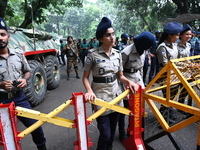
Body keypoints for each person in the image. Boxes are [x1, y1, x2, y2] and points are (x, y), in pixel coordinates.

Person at [82, 17, 139, 150]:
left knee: (112, 133)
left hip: (116, 96)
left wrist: (130, 82)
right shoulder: (92, 55)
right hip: (101, 97)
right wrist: (89, 91)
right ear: (101, 39)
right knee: (105, 134)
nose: (112, 37)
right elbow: (85, 77)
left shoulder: (118, 54)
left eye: (113, 34)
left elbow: (120, 76)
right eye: (108, 35)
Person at [0, 17, 47, 150]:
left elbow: (27, 72)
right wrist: (0, 85)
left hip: (20, 98)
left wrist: (25, 80)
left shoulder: (19, 54)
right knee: (4, 135)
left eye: (3, 35)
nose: (0, 38)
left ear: (8, 37)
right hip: (1, 101)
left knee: (35, 126)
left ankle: (42, 148)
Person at [119, 31, 156, 142]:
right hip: (126, 79)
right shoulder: (126, 52)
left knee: (138, 106)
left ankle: (136, 130)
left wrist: (141, 82)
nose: (150, 47)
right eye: (149, 45)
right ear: (143, 43)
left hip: (137, 79)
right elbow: (119, 71)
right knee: (124, 108)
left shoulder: (144, 50)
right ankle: (121, 132)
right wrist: (123, 85)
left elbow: (140, 68)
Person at [156, 22, 183, 123]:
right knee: (167, 97)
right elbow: (165, 64)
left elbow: (177, 59)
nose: (178, 37)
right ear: (169, 35)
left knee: (172, 97)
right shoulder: (162, 47)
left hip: (174, 75)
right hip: (165, 76)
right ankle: (162, 120)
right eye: (176, 35)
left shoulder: (174, 45)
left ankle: (167, 114)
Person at [177, 24, 192, 108]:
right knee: (174, 91)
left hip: (186, 71)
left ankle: (181, 105)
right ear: (181, 35)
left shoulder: (189, 45)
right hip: (177, 70)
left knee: (185, 89)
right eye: (187, 34)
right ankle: (169, 109)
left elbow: (187, 58)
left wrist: (190, 63)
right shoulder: (175, 45)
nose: (189, 36)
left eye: (190, 34)